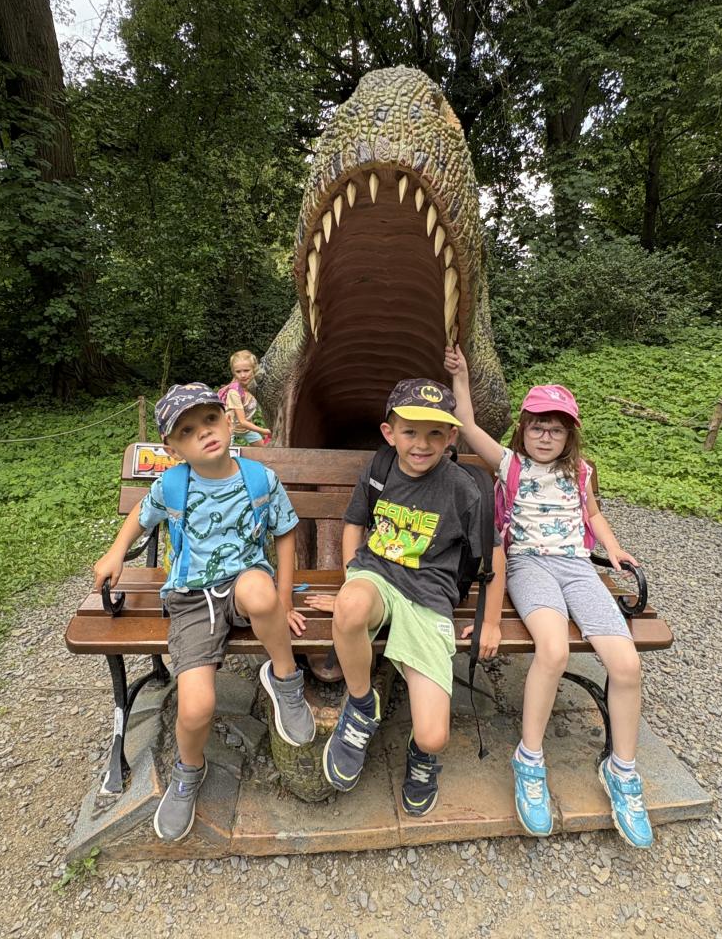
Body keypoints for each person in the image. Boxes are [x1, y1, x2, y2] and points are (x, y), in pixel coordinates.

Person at [444, 345, 653, 848]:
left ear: (569, 435)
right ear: (523, 430)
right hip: (528, 565)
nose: (545, 436)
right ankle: (530, 758)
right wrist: (462, 376)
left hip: (578, 568)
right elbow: (467, 424)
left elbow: (593, 515)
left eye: (556, 429)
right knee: (553, 650)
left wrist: (615, 550)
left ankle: (622, 770)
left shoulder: (580, 472)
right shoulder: (509, 464)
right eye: (537, 426)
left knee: (626, 664)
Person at [93, 383, 313, 842]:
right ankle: (188, 770)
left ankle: (285, 680)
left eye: (210, 420)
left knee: (261, 594)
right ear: (174, 448)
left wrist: (285, 598)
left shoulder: (259, 479)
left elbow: (285, 531)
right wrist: (115, 552)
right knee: (196, 708)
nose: (205, 433)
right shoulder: (173, 484)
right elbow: (141, 515)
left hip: (245, 581)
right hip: (193, 599)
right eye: (188, 431)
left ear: (228, 421)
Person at [307, 378, 505, 817]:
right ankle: (362, 706)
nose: (422, 443)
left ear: (451, 436)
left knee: (435, 736)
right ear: (389, 433)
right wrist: (350, 583)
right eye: (410, 431)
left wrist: (490, 621)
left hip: (429, 596)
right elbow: (354, 524)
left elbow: (494, 555)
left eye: (435, 433)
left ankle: (421, 755)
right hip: (376, 575)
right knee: (351, 607)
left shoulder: (463, 487)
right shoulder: (380, 468)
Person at [223, 350, 271, 446]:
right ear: (234, 372)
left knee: (263, 449)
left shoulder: (254, 388)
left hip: (246, 429)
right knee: (229, 453)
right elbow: (242, 421)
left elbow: (248, 415)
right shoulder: (234, 392)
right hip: (229, 429)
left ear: (254, 369)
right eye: (238, 371)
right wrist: (264, 431)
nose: (242, 375)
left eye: (246, 370)